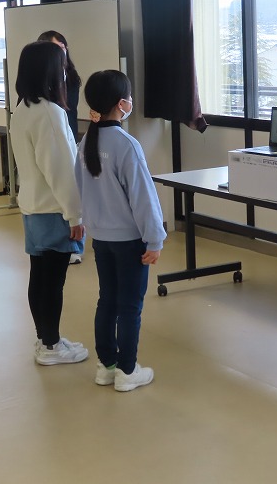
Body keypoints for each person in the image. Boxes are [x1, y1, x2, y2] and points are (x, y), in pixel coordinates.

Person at [74, 70, 166, 392]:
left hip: (101, 239)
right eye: (128, 97)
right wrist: (155, 239)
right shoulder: (126, 144)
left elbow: (80, 187)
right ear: (121, 104)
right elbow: (143, 198)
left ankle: (107, 366)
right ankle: (127, 371)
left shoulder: (87, 141)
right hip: (130, 241)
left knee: (108, 301)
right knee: (130, 306)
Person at [9, 41, 89, 366]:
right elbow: (61, 171)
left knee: (40, 276)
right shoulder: (50, 113)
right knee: (53, 281)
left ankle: (46, 339)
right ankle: (52, 346)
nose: (66, 74)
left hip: (33, 206)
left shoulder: (22, 109)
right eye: (63, 68)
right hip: (54, 208)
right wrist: (76, 215)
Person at [37, 30, 84, 265]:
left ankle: (75, 245)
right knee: (55, 191)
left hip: (68, 135)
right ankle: (59, 241)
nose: (61, 53)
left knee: (72, 187)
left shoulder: (71, 77)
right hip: (49, 138)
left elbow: (68, 108)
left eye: (63, 48)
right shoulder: (38, 81)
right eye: (56, 49)